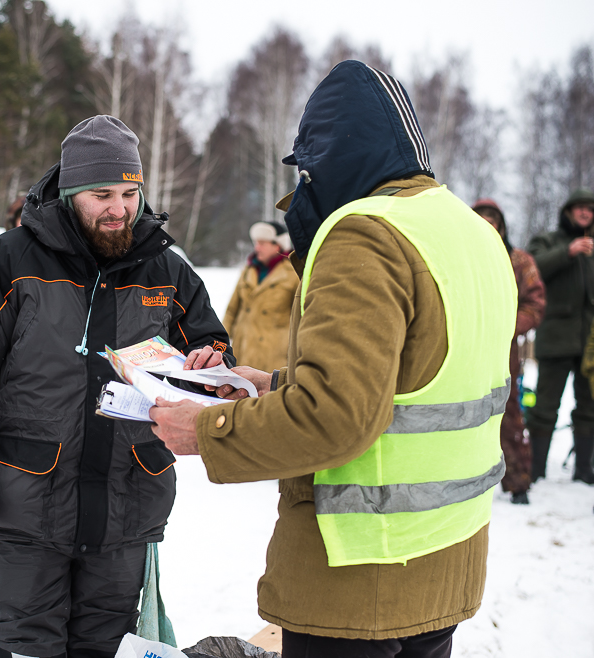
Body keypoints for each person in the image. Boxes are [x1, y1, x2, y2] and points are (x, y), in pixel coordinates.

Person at [150, 61, 517, 658]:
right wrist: (272, 383)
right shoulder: (469, 230)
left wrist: (206, 429)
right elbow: (415, 380)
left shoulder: (366, 233)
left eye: (309, 169)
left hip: (358, 577)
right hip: (444, 558)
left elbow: (336, 418)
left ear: (331, 157)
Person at [0, 115, 232, 658]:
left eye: (130, 192)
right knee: (20, 648)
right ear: (69, 193)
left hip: (127, 504)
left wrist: (212, 365)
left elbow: (210, 351)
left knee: (106, 650)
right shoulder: (7, 262)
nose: (119, 208)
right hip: (21, 506)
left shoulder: (167, 270)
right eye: (101, 194)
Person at [473, 198, 546, 504]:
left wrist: (506, 325)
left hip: (503, 348)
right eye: (481, 218)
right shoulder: (459, 256)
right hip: (462, 344)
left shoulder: (518, 260)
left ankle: (518, 482)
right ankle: (468, 478)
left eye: (494, 219)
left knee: (508, 411)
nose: (488, 224)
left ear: (501, 226)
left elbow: (535, 303)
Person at [526, 188, 594, 484]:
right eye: (579, 208)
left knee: (589, 407)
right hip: (555, 338)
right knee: (544, 407)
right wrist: (569, 251)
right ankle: (536, 470)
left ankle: (583, 471)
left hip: (588, 342)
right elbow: (532, 268)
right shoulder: (548, 241)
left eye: (589, 209)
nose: (584, 213)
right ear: (567, 211)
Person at [223, 221, 296, 370]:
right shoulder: (248, 270)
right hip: (242, 353)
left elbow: (302, 319)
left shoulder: (294, 273)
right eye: (256, 243)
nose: (257, 248)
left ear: (278, 245)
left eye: (262, 243)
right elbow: (232, 310)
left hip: (274, 360)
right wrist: (219, 344)